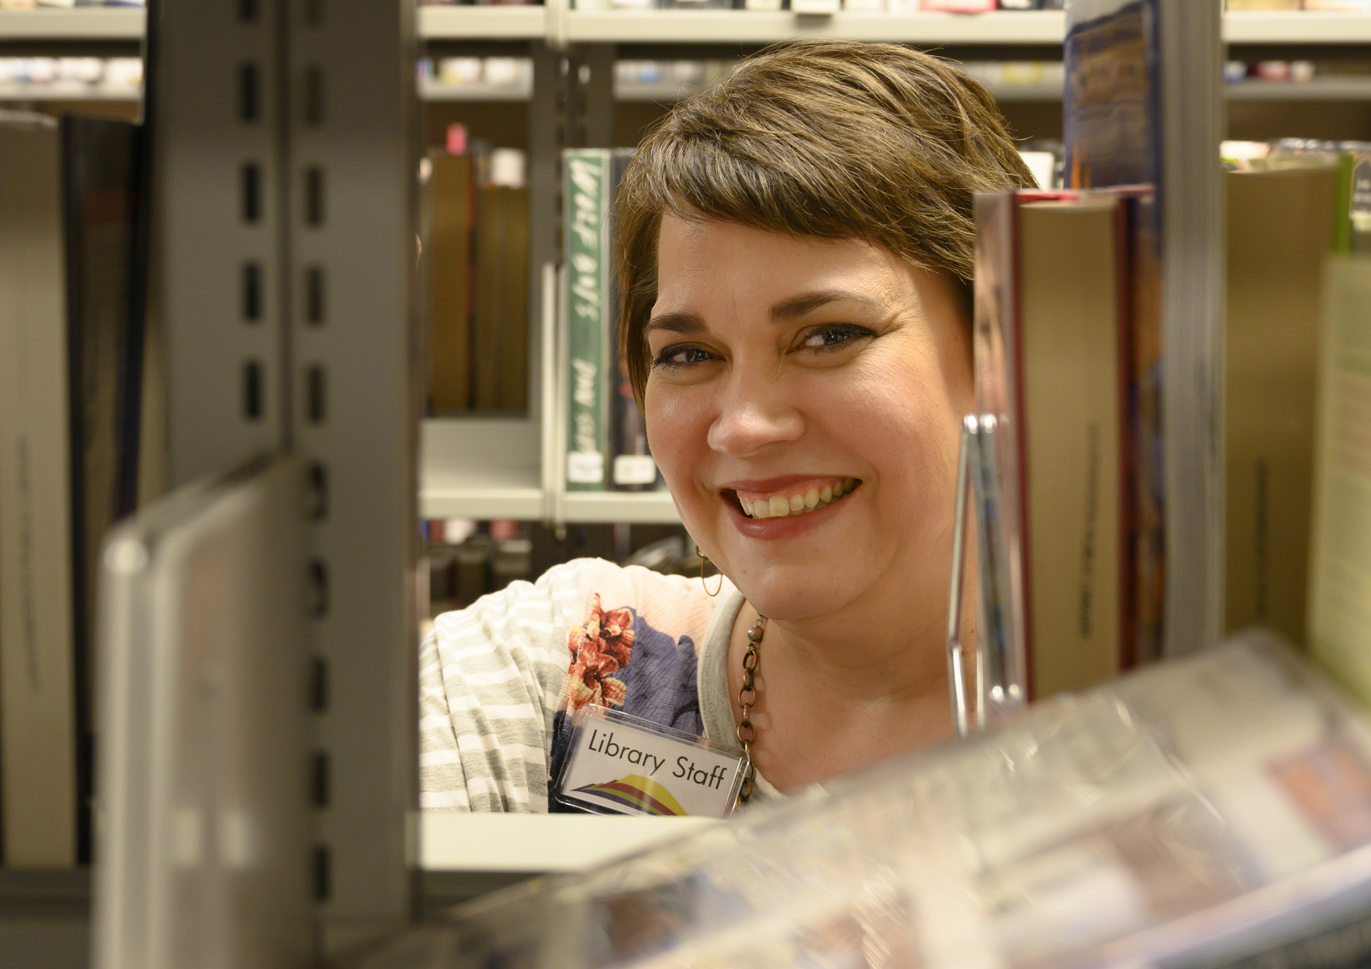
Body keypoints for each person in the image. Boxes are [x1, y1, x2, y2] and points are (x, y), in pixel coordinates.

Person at [419, 40, 1038, 812]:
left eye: (829, 336)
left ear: (1003, 341)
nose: (744, 428)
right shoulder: (557, 666)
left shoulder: (1152, 723)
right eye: (688, 353)